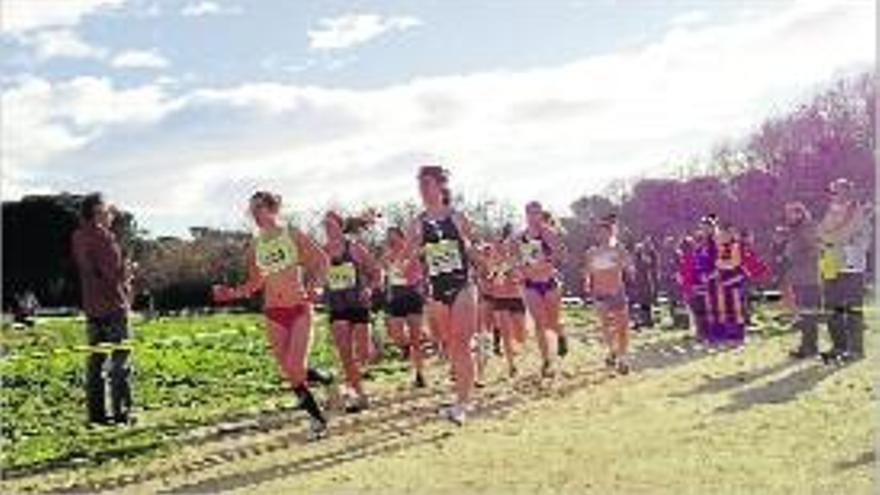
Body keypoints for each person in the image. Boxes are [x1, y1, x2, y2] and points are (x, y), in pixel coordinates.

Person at [212, 191, 330, 440]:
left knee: (294, 367)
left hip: (298, 308)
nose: (254, 214)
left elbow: (321, 260)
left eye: (259, 208)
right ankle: (317, 408)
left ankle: (318, 412)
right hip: (273, 313)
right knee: (290, 371)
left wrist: (316, 286)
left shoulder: (292, 234)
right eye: (251, 210)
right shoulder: (256, 244)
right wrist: (231, 294)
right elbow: (255, 283)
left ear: (272, 209)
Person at [406, 165, 478, 425]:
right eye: (420, 185)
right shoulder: (416, 224)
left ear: (440, 186)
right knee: (449, 344)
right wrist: (409, 265)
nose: (423, 190)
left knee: (459, 342)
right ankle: (467, 367)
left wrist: (489, 266)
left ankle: (462, 404)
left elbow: (473, 249)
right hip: (436, 289)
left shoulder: (457, 218)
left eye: (427, 184)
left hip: (462, 284)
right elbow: (411, 257)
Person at [72, 193, 135, 426]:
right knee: (121, 359)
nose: (111, 214)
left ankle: (96, 414)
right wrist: (127, 272)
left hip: (91, 307)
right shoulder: (105, 237)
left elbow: (91, 270)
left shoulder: (78, 236)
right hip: (113, 306)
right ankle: (122, 412)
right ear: (97, 211)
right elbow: (114, 276)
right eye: (108, 210)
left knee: (95, 361)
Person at [322, 211, 381, 412]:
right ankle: (359, 394)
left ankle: (352, 381)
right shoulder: (322, 252)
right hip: (337, 307)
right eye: (325, 226)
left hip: (358, 304)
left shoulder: (354, 248)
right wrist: (315, 290)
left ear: (340, 226)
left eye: (331, 225)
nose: (328, 229)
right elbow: (314, 278)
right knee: (346, 354)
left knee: (363, 353)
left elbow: (376, 272)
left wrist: (369, 289)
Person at [818, 178, 872, 363]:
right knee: (832, 307)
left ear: (848, 192)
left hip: (852, 265)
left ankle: (856, 349)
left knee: (852, 308)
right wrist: (830, 236)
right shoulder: (831, 211)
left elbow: (844, 233)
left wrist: (831, 237)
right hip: (832, 263)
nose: (834, 195)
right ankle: (839, 346)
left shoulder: (858, 210)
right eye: (832, 191)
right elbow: (820, 233)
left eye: (838, 191)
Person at [519, 202, 568, 377]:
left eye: (536, 213)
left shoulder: (548, 233)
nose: (533, 216)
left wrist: (547, 262)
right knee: (539, 323)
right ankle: (546, 360)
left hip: (549, 283)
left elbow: (562, 254)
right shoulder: (522, 236)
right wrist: (520, 269)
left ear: (541, 214)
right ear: (525, 215)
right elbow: (516, 257)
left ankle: (561, 334)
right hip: (531, 284)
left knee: (551, 323)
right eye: (529, 213)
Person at [584, 216, 634, 374]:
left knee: (622, 326)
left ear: (611, 233)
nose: (602, 235)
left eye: (606, 232)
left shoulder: (618, 249)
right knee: (606, 326)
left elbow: (629, 266)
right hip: (599, 293)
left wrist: (627, 267)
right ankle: (612, 351)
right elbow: (587, 271)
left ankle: (623, 358)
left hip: (617, 291)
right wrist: (586, 282)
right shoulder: (592, 252)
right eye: (600, 232)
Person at [382, 226, 428, 388]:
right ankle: (405, 346)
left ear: (402, 239)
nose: (391, 241)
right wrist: (387, 293)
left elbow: (415, 273)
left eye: (394, 237)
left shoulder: (412, 253)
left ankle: (419, 374)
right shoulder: (387, 255)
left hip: (412, 295)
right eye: (389, 238)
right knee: (396, 334)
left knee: (416, 339)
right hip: (396, 296)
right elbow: (388, 277)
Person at [782, 202, 822, 359]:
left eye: (790, 213)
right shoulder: (796, 230)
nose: (787, 216)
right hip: (799, 276)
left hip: (809, 277)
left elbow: (815, 250)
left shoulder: (808, 228)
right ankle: (807, 346)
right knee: (804, 313)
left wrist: (796, 257)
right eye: (787, 213)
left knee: (808, 313)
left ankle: (810, 347)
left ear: (800, 213)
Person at [488, 225, 527, 378]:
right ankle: (512, 365)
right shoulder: (495, 258)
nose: (506, 246)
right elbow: (491, 275)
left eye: (511, 242)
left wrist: (517, 276)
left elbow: (524, 276)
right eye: (503, 243)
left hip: (517, 298)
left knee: (520, 336)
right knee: (505, 333)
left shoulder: (520, 258)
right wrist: (496, 274)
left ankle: (518, 348)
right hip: (500, 298)